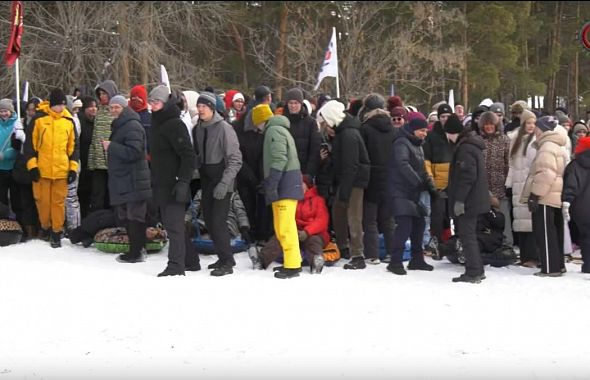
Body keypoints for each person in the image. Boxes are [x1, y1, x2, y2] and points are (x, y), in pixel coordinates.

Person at [149, 85, 199, 277]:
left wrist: (183, 181)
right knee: (173, 225)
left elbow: (188, 155)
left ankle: (176, 265)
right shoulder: (158, 122)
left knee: (174, 227)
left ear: (166, 103)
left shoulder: (174, 124)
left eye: (157, 102)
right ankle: (191, 260)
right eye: (151, 102)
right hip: (161, 181)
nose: (153, 106)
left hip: (175, 183)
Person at [193, 92, 242, 276]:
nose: (200, 109)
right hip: (206, 180)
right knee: (210, 222)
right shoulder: (198, 127)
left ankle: (227, 262)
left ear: (212, 108)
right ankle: (223, 257)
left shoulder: (224, 128)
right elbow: (199, 154)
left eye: (204, 106)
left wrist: (225, 183)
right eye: (198, 106)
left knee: (218, 222)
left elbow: (236, 159)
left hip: (223, 180)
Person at [317, 100, 370, 270]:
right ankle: (343, 247)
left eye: (325, 123)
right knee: (338, 211)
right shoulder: (342, 133)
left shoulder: (348, 135)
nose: (324, 127)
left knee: (354, 217)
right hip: (347, 180)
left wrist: (345, 192)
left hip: (354, 181)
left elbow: (351, 166)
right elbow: (342, 163)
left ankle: (358, 254)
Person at [24, 89, 79, 248]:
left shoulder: (68, 121)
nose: (61, 108)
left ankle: (56, 231)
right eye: (58, 105)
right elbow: (29, 146)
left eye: (63, 105)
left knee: (58, 202)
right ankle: (45, 227)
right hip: (42, 169)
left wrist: (73, 168)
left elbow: (74, 148)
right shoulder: (39, 119)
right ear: (52, 105)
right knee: (42, 202)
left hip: (61, 169)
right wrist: (32, 166)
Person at [254, 105, 304, 278]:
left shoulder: (273, 131)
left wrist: (272, 183)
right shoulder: (278, 130)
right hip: (286, 183)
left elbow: (279, 158)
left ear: (260, 121)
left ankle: (292, 266)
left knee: (285, 227)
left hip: (285, 184)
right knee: (282, 226)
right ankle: (292, 261)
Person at [104, 95, 152, 263]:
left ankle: (136, 251)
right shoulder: (121, 125)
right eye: (111, 107)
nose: (114, 110)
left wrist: (112, 147)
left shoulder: (131, 125)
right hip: (126, 179)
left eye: (117, 107)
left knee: (135, 217)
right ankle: (137, 248)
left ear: (125, 108)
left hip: (134, 179)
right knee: (128, 216)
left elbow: (135, 151)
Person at [387, 117, 437, 275]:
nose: (424, 134)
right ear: (413, 129)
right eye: (422, 130)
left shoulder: (418, 145)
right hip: (400, 191)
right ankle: (395, 262)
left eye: (426, 131)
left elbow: (422, 168)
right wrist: (417, 182)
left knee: (419, 224)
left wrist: (430, 185)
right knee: (404, 226)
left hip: (413, 192)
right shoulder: (401, 142)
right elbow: (403, 164)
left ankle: (417, 259)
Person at [521, 116, 567, 277]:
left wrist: (535, 194)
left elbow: (546, 173)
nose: (535, 130)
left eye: (537, 127)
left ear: (542, 129)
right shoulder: (555, 145)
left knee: (545, 233)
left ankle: (550, 267)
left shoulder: (546, 146)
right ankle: (558, 265)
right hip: (555, 195)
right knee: (555, 232)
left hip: (546, 196)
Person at [447, 120, 490, 283]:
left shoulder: (464, 149)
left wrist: (459, 200)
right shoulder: (471, 145)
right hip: (475, 199)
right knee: (469, 235)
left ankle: (473, 272)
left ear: (452, 133)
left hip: (469, 201)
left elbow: (467, 177)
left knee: (467, 236)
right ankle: (477, 269)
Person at [258, 175, 328, 274]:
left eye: (301, 184)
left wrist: (307, 232)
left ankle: (316, 263)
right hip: (294, 231)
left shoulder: (318, 200)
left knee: (313, 241)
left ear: (307, 186)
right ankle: (261, 260)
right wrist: (293, 230)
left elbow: (321, 220)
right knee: (280, 237)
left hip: (313, 233)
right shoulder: (291, 200)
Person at [359, 93, 396, 265]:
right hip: (389, 176)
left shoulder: (365, 128)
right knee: (387, 218)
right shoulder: (393, 129)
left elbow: (362, 154)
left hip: (371, 176)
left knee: (370, 218)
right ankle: (391, 251)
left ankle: (372, 254)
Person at [423, 110, 462, 255]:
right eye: (442, 116)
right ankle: (437, 243)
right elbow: (426, 160)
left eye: (447, 116)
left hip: (454, 182)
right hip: (438, 182)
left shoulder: (457, 135)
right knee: (438, 215)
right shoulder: (432, 137)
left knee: (455, 214)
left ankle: (454, 242)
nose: (445, 119)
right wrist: (430, 178)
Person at [505, 110, 539, 267]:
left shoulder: (537, 141)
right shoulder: (515, 140)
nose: (531, 126)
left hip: (530, 185)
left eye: (533, 123)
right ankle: (525, 256)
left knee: (530, 222)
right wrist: (509, 183)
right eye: (528, 123)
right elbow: (512, 164)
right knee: (519, 222)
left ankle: (533, 256)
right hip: (518, 186)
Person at [478, 111, 512, 246]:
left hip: (500, 185)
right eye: (486, 124)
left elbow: (508, 163)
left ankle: (506, 243)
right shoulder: (478, 140)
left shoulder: (504, 140)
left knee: (503, 216)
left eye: (491, 124)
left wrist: (508, 183)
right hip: (483, 186)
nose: (489, 127)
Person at [88, 80, 119, 212]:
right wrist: (91, 161)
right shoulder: (99, 112)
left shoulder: (117, 112)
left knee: (112, 196)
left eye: (104, 93)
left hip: (112, 161)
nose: (102, 96)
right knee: (97, 196)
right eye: (100, 94)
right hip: (98, 162)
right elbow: (94, 138)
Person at [562, 137, 590, 273]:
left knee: (585, 236)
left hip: (580, 208)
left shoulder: (574, 165)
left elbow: (570, 186)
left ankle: (588, 265)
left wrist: (567, 201)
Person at [283, 88, 321, 177]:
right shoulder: (283, 121)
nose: (293, 106)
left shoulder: (310, 123)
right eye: (290, 103)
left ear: (301, 104)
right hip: (286, 171)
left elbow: (314, 151)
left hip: (303, 171)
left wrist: (308, 175)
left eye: (296, 103)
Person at [0, 99, 20, 229]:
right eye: (1, 111)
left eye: (6, 111)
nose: (3, 114)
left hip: (13, 167)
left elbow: (18, 147)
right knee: (1, 197)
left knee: (15, 197)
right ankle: (3, 222)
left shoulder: (17, 125)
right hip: (0, 168)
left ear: (11, 111)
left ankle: (17, 223)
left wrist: (5, 155)